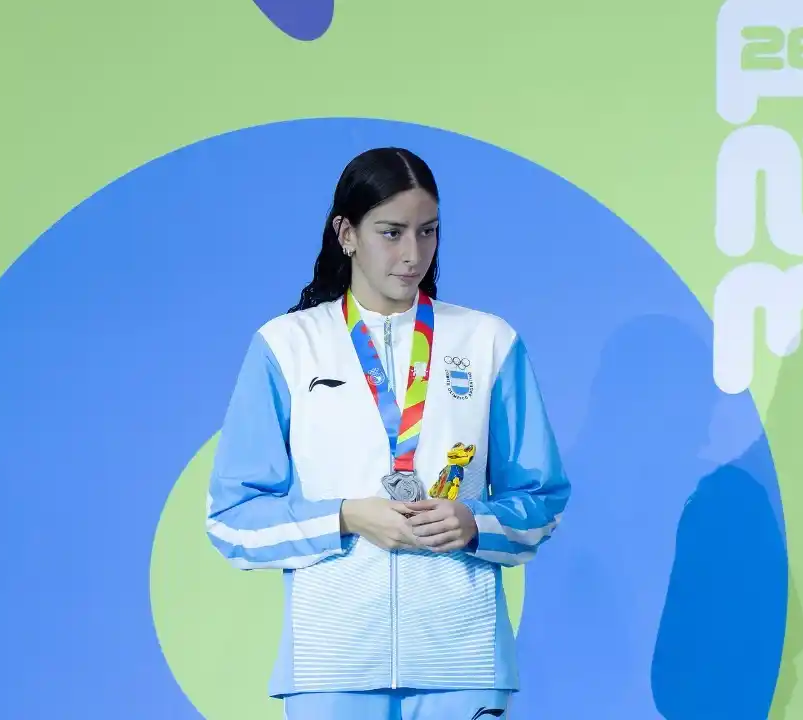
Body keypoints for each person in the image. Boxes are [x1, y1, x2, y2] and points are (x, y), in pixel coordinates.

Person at [204, 147, 571, 720]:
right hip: (331, 664)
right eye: (391, 232)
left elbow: (543, 501)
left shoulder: (487, 341)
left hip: (462, 661)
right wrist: (346, 517)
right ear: (346, 233)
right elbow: (232, 520)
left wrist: (476, 522)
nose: (413, 254)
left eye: (428, 232)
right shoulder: (288, 346)